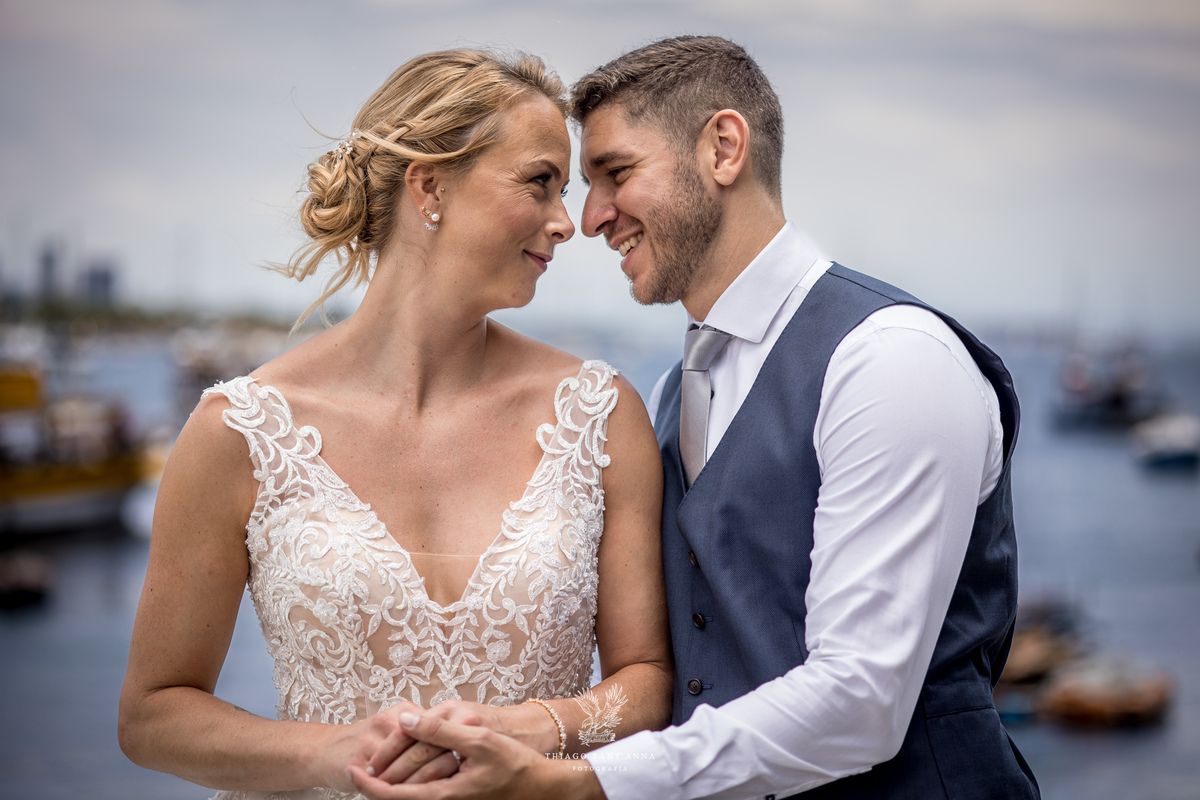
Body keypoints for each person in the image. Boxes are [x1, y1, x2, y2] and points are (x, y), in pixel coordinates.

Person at [349, 35, 1040, 800]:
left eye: (615, 173)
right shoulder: (681, 390)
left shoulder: (892, 359)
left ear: (723, 147)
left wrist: (581, 784)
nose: (589, 219)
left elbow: (860, 703)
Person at [117, 49, 672, 799]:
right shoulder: (239, 431)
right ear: (429, 184)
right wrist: (330, 754)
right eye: (540, 182)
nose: (567, 222)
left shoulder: (602, 417)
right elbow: (152, 716)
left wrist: (533, 728)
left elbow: (648, 684)